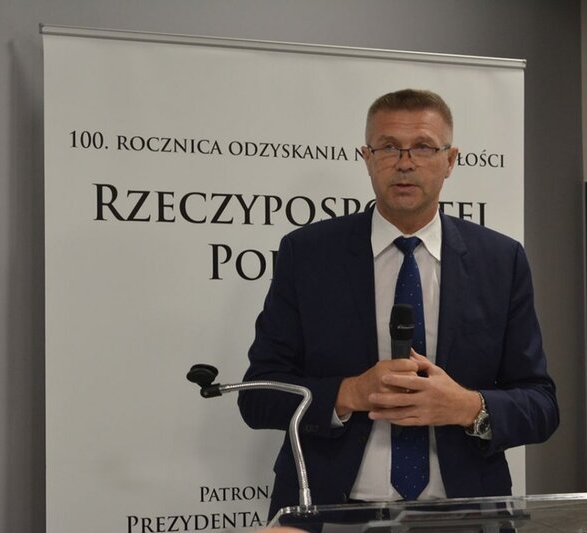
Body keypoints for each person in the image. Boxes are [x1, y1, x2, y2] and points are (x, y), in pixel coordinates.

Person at [238, 89, 558, 518]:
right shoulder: (308, 255)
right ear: (366, 158)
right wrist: (349, 393)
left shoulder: (501, 260)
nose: (405, 163)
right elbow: (259, 395)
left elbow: (541, 405)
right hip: (330, 513)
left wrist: (467, 407)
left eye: (423, 147)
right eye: (388, 147)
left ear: (451, 160)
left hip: (463, 515)